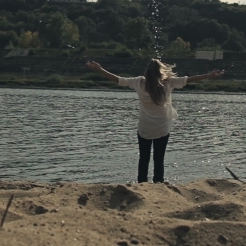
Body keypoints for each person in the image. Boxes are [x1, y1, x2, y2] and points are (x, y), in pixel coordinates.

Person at [85, 59, 224, 183]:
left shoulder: (139, 82)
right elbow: (190, 79)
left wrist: (99, 69)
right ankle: (159, 183)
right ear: (160, 71)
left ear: (147, 72)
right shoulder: (168, 83)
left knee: (143, 159)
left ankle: (142, 184)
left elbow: (118, 80)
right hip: (162, 128)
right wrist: (210, 75)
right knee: (159, 159)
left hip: (145, 128)